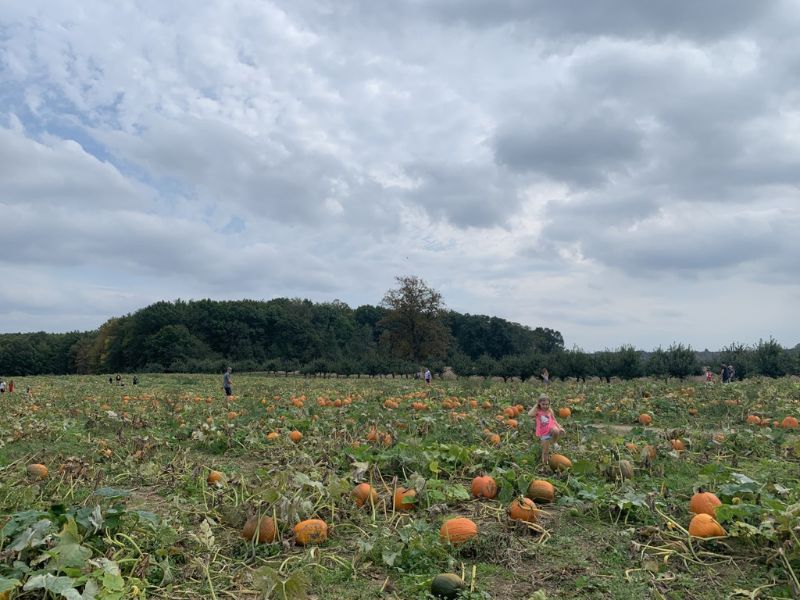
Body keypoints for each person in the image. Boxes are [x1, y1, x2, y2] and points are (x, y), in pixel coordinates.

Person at [528, 394, 564, 466]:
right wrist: (536, 405)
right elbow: (529, 414)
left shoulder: (550, 410)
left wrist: (560, 428)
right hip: (543, 433)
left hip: (551, 428)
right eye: (543, 404)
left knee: (556, 430)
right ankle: (545, 464)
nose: (545, 406)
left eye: (547, 404)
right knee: (545, 451)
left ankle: (554, 443)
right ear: (539, 404)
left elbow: (554, 420)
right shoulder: (537, 411)